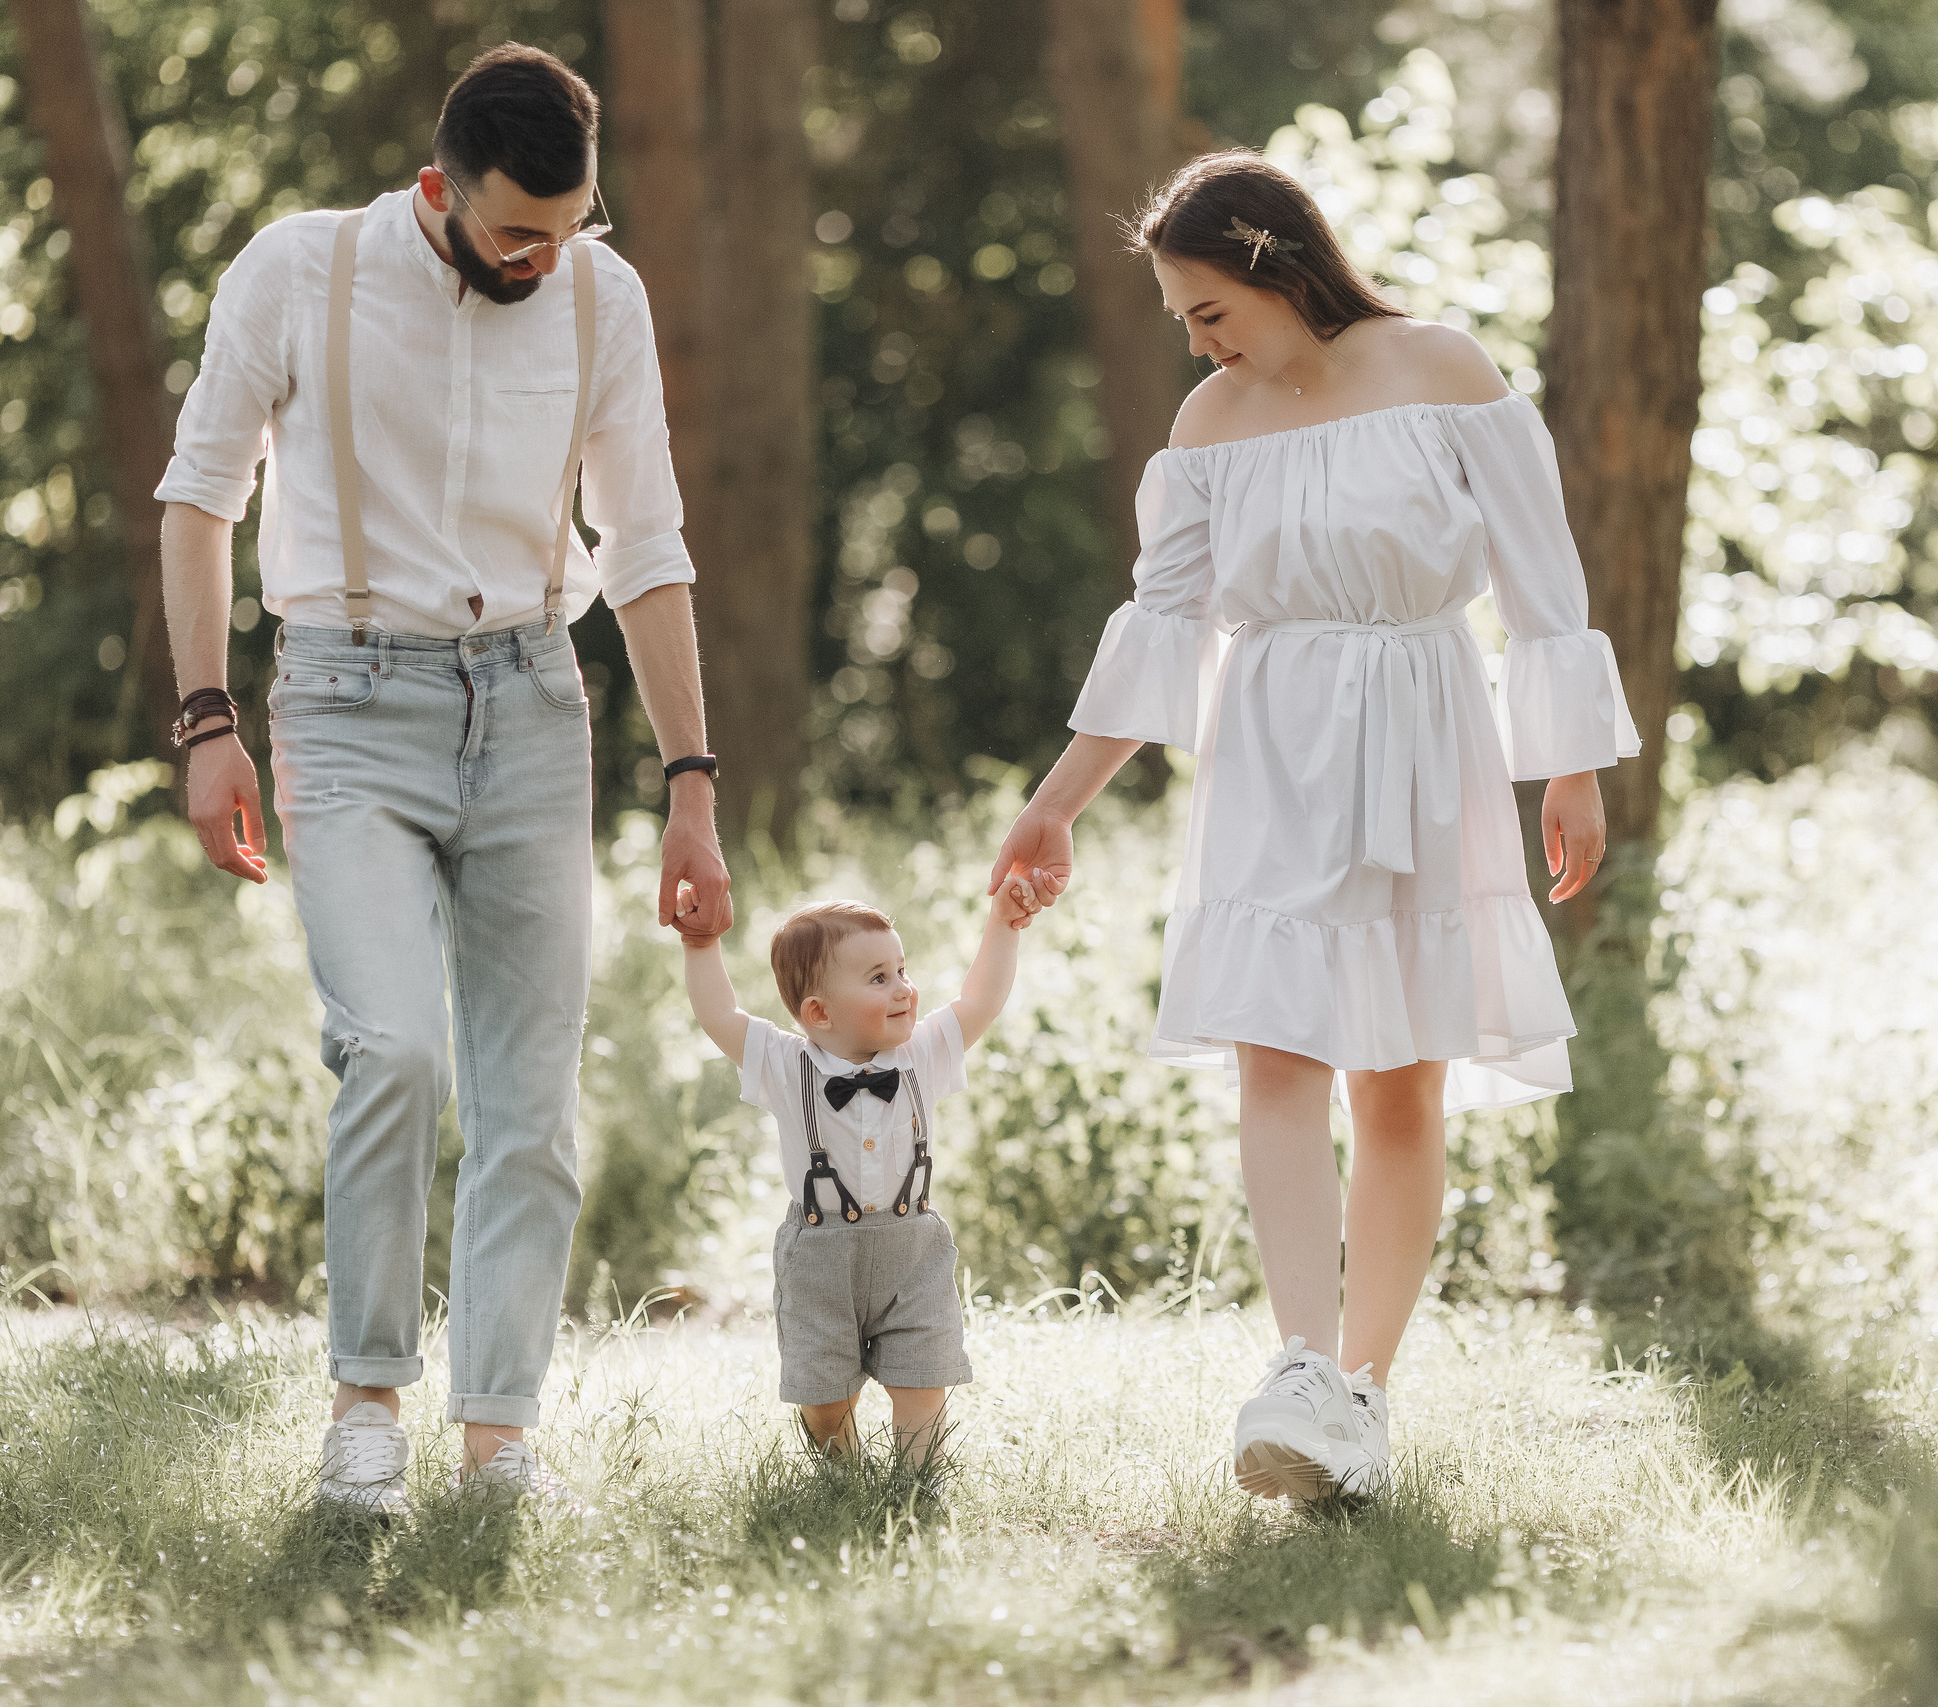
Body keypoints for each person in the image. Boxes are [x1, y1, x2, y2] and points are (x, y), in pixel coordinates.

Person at [989, 153, 1641, 1502]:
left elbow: (1542, 576)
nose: (1198, 338)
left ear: (1280, 266)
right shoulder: (1208, 428)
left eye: (1209, 309)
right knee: (1273, 1048)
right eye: (1182, 319)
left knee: (1399, 1071)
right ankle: (1294, 1363)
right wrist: (1056, 804)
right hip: (1272, 741)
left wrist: (1567, 765)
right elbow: (1161, 631)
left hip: (1425, 724)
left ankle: (1361, 1391)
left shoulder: (1445, 371)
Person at [155, 44, 732, 1516]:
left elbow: (649, 541)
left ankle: (497, 1438)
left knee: (532, 1100)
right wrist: (205, 717)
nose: (547, 257)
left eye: (571, 225)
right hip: (345, 700)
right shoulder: (298, 270)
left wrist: (691, 778)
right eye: (514, 232)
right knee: (394, 1047)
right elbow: (200, 491)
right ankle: (364, 1405)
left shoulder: (604, 297)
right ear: (440, 190)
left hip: (535, 705)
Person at [679, 882, 1043, 1460]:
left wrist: (1003, 922)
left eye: (902, 970)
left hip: (912, 1251)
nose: (905, 989)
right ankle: (842, 1475)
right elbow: (718, 1013)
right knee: (823, 1393)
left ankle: (915, 1480)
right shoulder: (784, 1064)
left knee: (923, 1377)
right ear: (817, 1012)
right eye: (879, 979)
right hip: (819, 1259)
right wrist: (699, 941)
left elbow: (981, 1001)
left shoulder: (921, 1054)